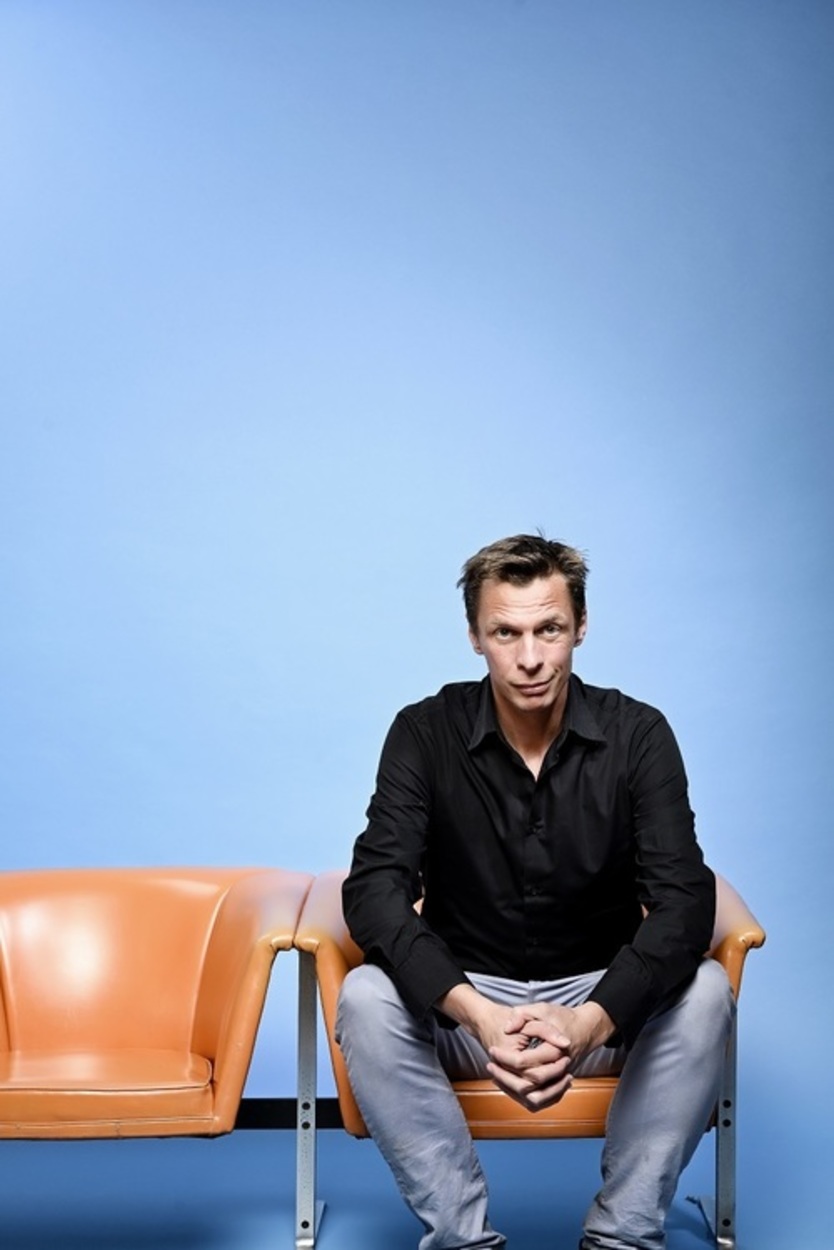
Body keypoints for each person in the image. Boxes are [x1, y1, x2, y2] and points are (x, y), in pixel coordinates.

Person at [336, 534, 734, 1250]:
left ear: (580, 627)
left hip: (601, 1003)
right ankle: (462, 1239)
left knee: (707, 991)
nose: (529, 658)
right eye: (505, 633)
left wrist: (592, 1021)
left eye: (548, 629)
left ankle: (621, 1236)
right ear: (474, 637)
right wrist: (477, 1014)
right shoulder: (423, 733)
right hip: (466, 1009)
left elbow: (683, 902)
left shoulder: (639, 735)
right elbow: (374, 891)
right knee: (365, 996)